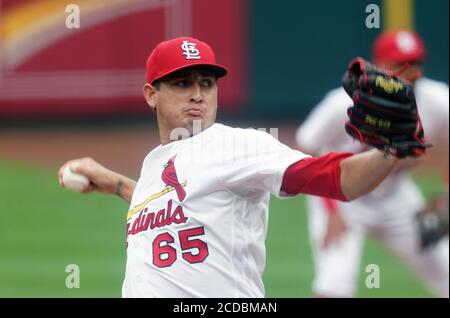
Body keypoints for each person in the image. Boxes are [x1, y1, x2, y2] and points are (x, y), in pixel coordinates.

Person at [59, 36, 414, 298]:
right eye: (183, 83)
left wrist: (391, 151)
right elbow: (178, 203)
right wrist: (117, 185)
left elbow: (337, 179)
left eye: (206, 83)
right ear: (152, 94)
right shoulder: (156, 162)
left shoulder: (238, 146)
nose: (198, 94)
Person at [296, 30, 449, 298]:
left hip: (396, 196)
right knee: (334, 284)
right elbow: (307, 147)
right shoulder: (343, 101)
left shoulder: (438, 101)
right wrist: (330, 209)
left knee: (445, 269)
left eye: (414, 63)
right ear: (378, 64)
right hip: (341, 197)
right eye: (398, 62)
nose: (408, 70)